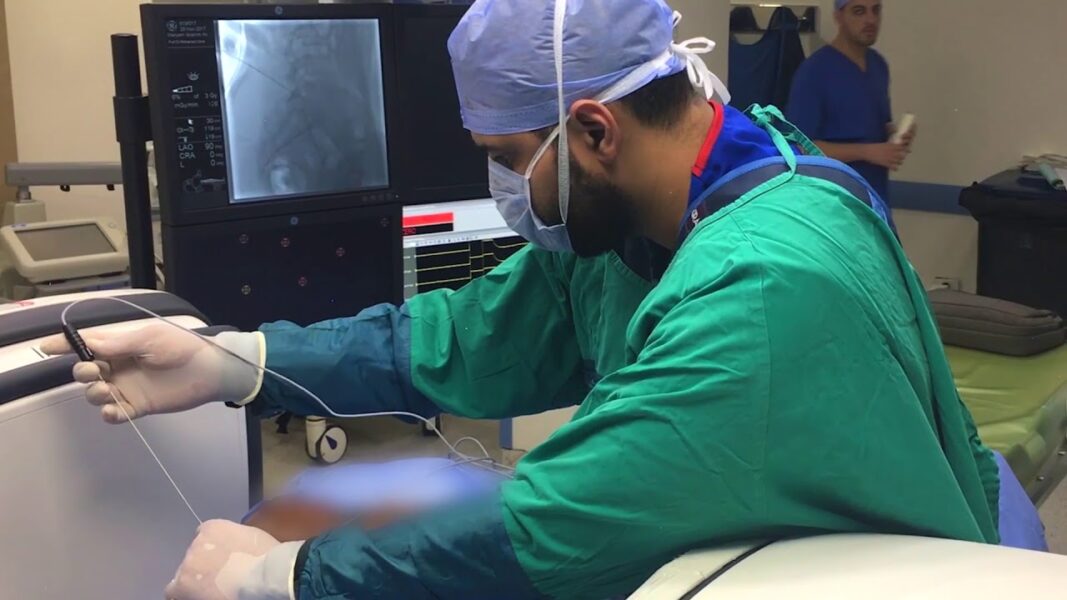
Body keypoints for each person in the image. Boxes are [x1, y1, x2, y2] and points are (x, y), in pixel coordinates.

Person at [44, 0, 1001, 598]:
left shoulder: (760, 289)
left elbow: (551, 529)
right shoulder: (659, 209)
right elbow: (468, 335)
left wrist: (277, 580)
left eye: (507, 159)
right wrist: (235, 360)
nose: (505, 189)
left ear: (595, 130)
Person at [787, 0, 914, 204]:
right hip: (833, 204)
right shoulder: (815, 72)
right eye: (859, 11)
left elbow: (875, 127)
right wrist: (866, 152)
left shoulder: (878, 66)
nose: (870, 19)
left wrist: (896, 137)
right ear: (839, 17)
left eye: (876, 10)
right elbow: (800, 148)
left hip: (875, 200)